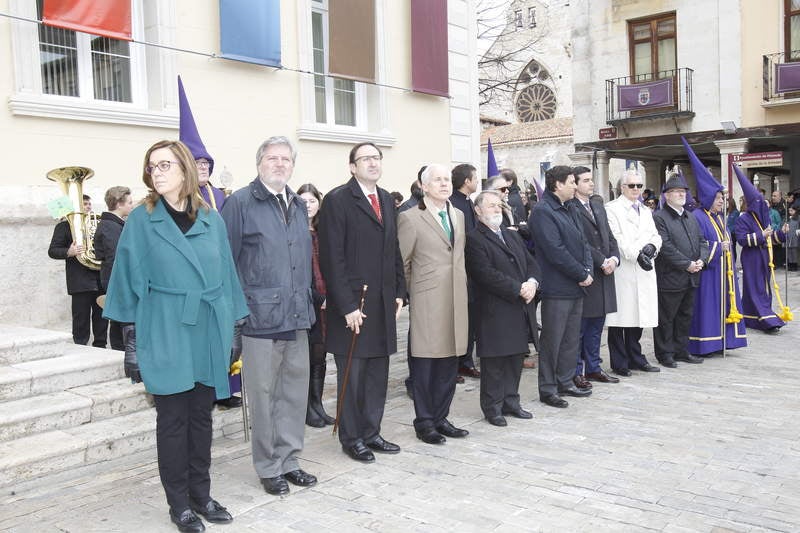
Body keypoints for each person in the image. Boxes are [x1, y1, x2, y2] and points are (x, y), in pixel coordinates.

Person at [103, 139, 249, 532]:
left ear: (185, 169)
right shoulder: (141, 218)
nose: (158, 172)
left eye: (165, 164)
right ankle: (179, 504)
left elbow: (227, 276)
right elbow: (126, 280)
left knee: (202, 417)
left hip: (207, 328)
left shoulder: (211, 218)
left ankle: (202, 494)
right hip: (163, 326)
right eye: (152, 166)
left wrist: (234, 328)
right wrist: (131, 343)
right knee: (172, 419)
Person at [221, 136, 319, 495]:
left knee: (294, 393)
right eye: (272, 158)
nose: (280, 164)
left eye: (286, 159)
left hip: (296, 316)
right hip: (259, 318)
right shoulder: (240, 203)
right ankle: (267, 465)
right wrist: (234, 317)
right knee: (264, 397)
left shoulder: (295, 203)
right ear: (259, 162)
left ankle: (289, 459)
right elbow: (225, 262)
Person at [318, 142, 406, 463]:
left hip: (382, 302)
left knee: (377, 373)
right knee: (353, 374)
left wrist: (400, 291)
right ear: (352, 167)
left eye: (376, 157)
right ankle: (351, 437)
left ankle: (372, 431)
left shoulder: (385, 199)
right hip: (354, 305)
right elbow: (332, 257)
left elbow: (392, 248)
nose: (372, 162)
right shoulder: (338, 200)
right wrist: (346, 305)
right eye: (364, 158)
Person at [179, 75, 241, 410]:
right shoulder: (179, 199)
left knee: (225, 338)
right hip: (193, 287)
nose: (203, 167)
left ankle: (226, 389)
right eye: (197, 163)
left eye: (206, 163)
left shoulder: (219, 195)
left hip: (222, 280)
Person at [398, 163, 469, 444]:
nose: (444, 184)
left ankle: (441, 417)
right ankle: (425, 421)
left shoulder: (459, 215)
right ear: (424, 186)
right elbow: (403, 263)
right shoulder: (411, 218)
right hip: (428, 300)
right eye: (437, 180)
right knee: (426, 363)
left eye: (447, 179)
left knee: (450, 362)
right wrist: (416, 291)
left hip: (456, 299)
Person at [466, 190, 540, 425]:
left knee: (515, 358)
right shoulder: (474, 238)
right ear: (478, 211)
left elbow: (531, 263)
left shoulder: (512, 236)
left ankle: (511, 401)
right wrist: (518, 288)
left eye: (499, 205)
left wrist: (532, 282)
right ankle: (493, 407)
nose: (497, 209)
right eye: (491, 206)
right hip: (494, 309)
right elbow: (485, 274)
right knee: (495, 363)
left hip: (519, 308)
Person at [529, 166, 593, 408]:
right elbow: (555, 251)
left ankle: (565, 381)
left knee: (570, 339)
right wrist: (580, 273)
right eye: (571, 182)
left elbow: (584, 242)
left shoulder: (571, 208)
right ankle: (548, 388)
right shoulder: (543, 212)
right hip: (557, 287)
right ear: (556, 184)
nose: (575, 186)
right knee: (552, 340)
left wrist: (587, 270)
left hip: (576, 285)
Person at [604, 171, 662, 376]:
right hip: (625, 270)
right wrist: (637, 254)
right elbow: (616, 238)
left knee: (639, 317)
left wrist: (652, 248)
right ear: (622, 187)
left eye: (639, 186)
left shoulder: (646, 211)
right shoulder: (612, 209)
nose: (636, 189)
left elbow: (655, 235)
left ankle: (636, 358)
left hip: (645, 268)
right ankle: (620, 362)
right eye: (632, 186)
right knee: (621, 319)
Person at [566, 167, 620, 388]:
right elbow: (580, 241)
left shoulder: (597, 205)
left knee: (598, 325)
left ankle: (594, 367)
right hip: (588, 272)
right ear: (575, 183)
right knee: (581, 326)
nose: (591, 184)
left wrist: (615, 258)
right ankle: (577, 371)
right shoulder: (571, 208)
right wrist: (601, 261)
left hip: (606, 272)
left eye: (591, 180)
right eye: (586, 180)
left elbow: (608, 235)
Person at [652, 176, 709, 368]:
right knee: (666, 317)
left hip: (691, 276)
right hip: (670, 277)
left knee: (685, 316)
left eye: (683, 191)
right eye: (677, 191)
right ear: (667, 196)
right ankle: (665, 353)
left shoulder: (690, 216)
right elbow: (665, 246)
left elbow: (702, 241)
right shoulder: (659, 217)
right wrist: (686, 264)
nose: (681, 194)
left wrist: (702, 258)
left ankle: (681, 350)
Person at [688, 182, 747, 356]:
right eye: (719, 198)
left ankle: (722, 340)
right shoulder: (697, 216)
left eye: (723, 198)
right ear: (708, 198)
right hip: (708, 272)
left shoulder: (719, 217)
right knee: (708, 307)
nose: (722, 201)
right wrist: (718, 247)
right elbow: (696, 245)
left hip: (724, 271)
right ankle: (706, 344)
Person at [297, 183, 335, 428]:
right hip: (307, 303)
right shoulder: (294, 231)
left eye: (311, 201)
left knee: (320, 356)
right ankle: (306, 408)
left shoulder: (325, 230)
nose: (307, 205)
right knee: (307, 357)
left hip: (327, 301)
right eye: (302, 201)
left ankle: (317, 404)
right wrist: (317, 299)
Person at [48, 194, 108, 348]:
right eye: (84, 204)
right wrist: (70, 251)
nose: (88, 207)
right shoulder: (64, 226)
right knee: (80, 319)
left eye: (89, 204)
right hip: (80, 281)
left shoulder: (99, 224)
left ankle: (100, 347)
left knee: (101, 318)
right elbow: (53, 250)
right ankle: (80, 348)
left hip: (100, 278)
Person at [735, 168, 790, 332]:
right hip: (751, 257)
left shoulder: (763, 218)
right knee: (755, 287)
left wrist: (781, 233)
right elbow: (742, 239)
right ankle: (765, 319)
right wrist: (761, 235)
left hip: (765, 256)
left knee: (764, 287)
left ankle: (756, 316)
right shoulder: (743, 218)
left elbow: (771, 238)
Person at [449, 163, 480, 379]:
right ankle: (456, 363)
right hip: (461, 270)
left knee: (471, 320)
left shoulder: (468, 202)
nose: (478, 182)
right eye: (475, 178)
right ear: (467, 181)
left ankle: (466, 360)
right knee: (458, 320)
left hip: (474, 270)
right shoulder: (453, 204)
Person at [94, 186, 134, 351]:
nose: (132, 206)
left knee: (118, 318)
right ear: (119, 204)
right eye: (130, 202)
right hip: (116, 278)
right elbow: (116, 257)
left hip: (115, 277)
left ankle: (120, 350)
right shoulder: (110, 226)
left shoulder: (113, 224)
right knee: (120, 318)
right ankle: (120, 350)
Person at [787, 205, 799, 272]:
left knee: (794, 251)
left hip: (795, 236)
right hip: (788, 236)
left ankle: (795, 265)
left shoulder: (798, 218)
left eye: (792, 210)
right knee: (789, 252)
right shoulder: (787, 218)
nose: (790, 212)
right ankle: (790, 264)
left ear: (795, 211)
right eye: (789, 210)